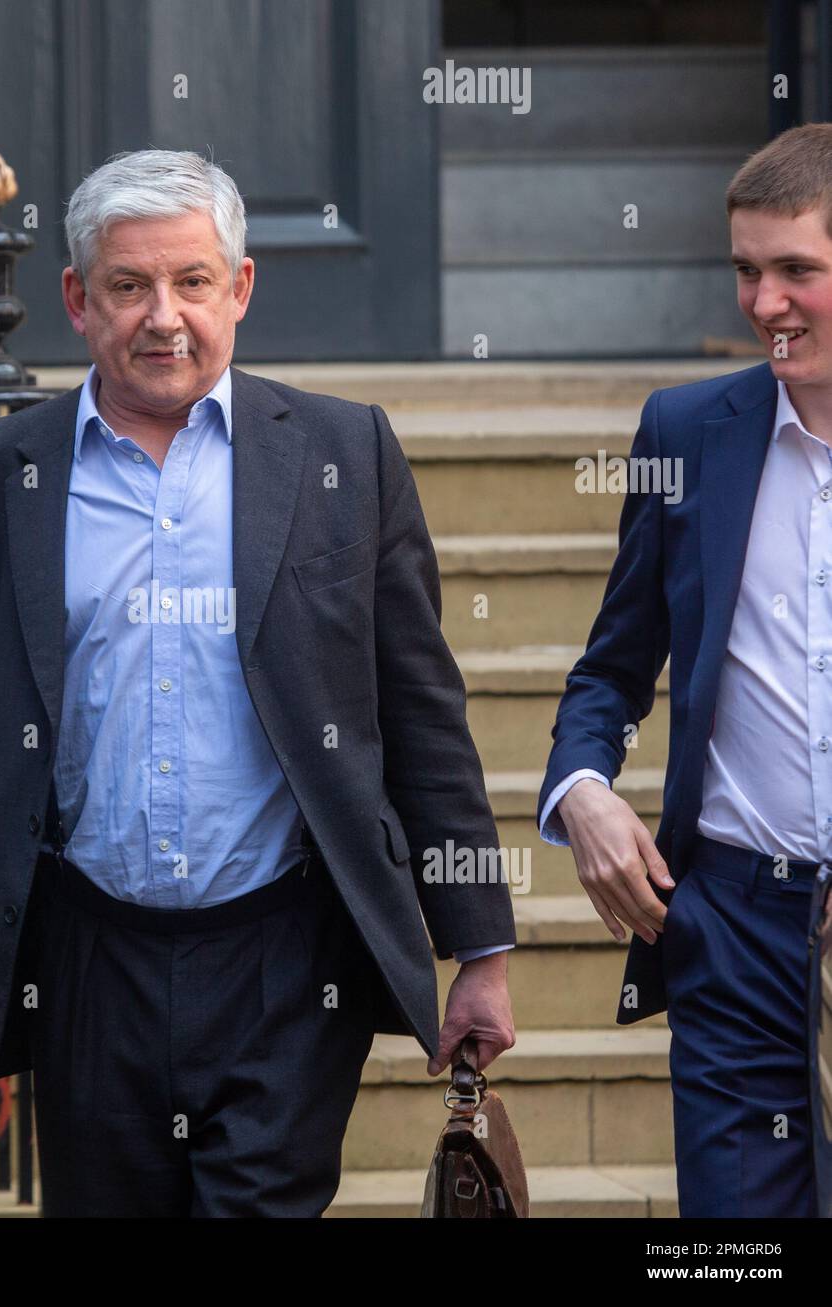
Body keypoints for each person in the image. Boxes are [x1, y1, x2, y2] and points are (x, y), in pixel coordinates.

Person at [0, 148, 515, 1217]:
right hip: (79, 959)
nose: (164, 316)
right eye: (128, 285)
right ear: (76, 299)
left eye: (192, 281)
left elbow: (422, 715)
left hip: (287, 962)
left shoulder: (346, 455)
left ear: (238, 288)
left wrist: (477, 942)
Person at [538, 122, 832, 1219]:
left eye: (796, 270)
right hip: (731, 930)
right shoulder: (684, 429)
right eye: (746, 273)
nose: (763, 304)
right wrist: (583, 792)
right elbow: (610, 670)